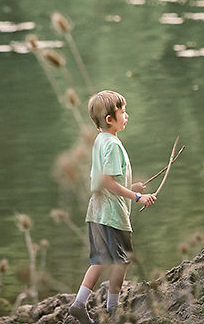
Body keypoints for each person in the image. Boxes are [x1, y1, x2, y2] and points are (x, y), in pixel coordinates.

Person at [67, 90, 156, 324]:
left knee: (100, 260)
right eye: (123, 112)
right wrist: (137, 196)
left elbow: (103, 180)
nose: (127, 115)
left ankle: (78, 304)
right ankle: (113, 308)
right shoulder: (114, 145)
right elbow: (107, 181)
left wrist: (131, 186)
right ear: (109, 119)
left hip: (96, 211)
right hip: (113, 215)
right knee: (122, 260)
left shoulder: (100, 141)